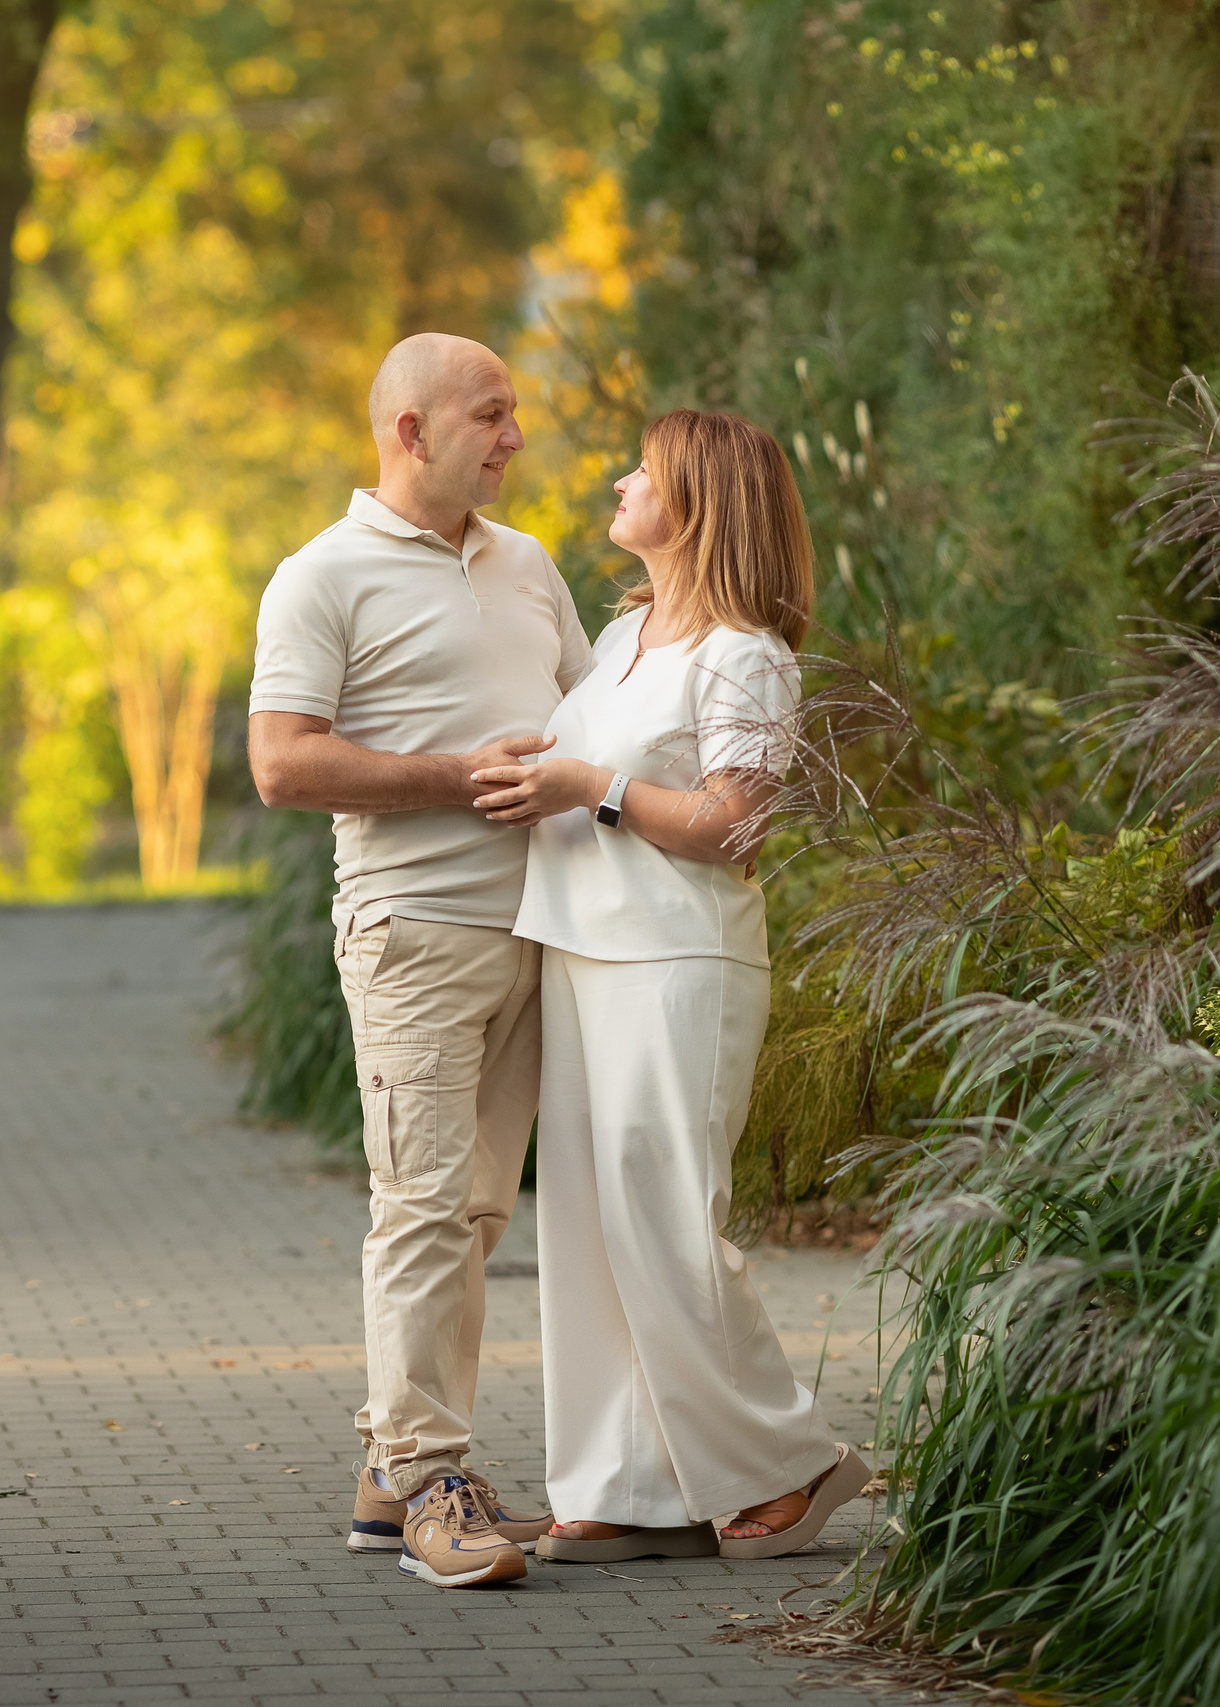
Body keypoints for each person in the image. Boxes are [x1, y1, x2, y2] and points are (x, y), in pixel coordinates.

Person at [467, 409, 869, 1564]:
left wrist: (587, 787)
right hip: (579, 950)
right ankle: (624, 1484)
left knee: (666, 1223)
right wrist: (532, 770)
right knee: (589, 1228)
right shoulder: (621, 633)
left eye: (642, 472)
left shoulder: (749, 655)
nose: (619, 481)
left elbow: (733, 824)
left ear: (696, 504)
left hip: (677, 959)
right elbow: (583, 768)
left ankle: (790, 1462)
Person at [248, 333, 593, 1589]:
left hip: (541, 933)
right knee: (423, 1208)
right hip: (412, 937)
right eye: (490, 415)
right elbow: (281, 763)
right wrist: (457, 779)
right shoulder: (320, 576)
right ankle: (432, 1476)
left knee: (475, 1213)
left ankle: (390, 1477)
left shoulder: (529, 562)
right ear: (411, 430)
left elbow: (591, 709)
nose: (514, 437)